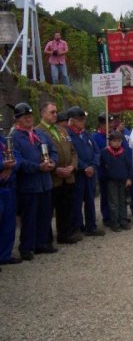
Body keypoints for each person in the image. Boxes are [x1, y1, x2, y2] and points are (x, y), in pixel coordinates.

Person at [12, 102, 58, 260]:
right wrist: (37, 167)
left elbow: (53, 151)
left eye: (30, 116)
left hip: (45, 182)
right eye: (25, 117)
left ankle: (41, 244)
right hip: (29, 185)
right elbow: (18, 162)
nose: (28, 119)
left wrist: (52, 161)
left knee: (45, 215)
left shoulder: (40, 134)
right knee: (29, 218)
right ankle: (26, 247)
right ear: (18, 119)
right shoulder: (15, 138)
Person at [36, 102, 79, 245]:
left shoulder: (62, 130)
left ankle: (64, 234)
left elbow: (73, 151)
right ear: (42, 113)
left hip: (68, 177)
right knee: (48, 210)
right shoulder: (38, 132)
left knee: (66, 208)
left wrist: (72, 166)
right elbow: (40, 156)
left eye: (56, 112)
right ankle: (46, 239)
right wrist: (56, 169)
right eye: (52, 112)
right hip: (53, 178)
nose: (55, 114)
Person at [67, 106, 105, 236]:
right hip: (78, 173)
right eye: (80, 120)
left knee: (90, 200)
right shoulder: (67, 135)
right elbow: (72, 154)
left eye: (83, 119)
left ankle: (91, 226)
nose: (83, 122)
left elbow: (96, 151)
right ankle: (78, 226)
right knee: (77, 201)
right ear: (72, 121)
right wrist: (84, 167)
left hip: (90, 172)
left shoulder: (86, 133)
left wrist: (93, 166)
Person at [99, 131, 133, 231]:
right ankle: (115, 222)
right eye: (114, 141)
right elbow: (102, 167)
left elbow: (129, 167)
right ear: (110, 142)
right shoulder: (105, 152)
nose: (117, 143)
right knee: (113, 202)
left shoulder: (125, 152)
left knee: (123, 201)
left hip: (123, 180)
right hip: (111, 181)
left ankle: (123, 220)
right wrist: (105, 177)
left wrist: (129, 178)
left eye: (119, 141)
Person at [0, 132, 20, 265]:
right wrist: (2, 166)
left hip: (9, 186)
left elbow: (16, 155)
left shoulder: (3, 139)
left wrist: (12, 166)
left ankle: (5, 255)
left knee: (8, 223)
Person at [92, 112, 115, 228]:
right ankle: (107, 216)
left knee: (115, 194)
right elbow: (94, 153)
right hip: (103, 170)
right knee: (105, 194)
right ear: (101, 124)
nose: (110, 125)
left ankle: (116, 215)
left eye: (111, 122)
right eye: (107, 123)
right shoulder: (95, 137)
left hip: (115, 170)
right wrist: (104, 152)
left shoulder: (114, 135)